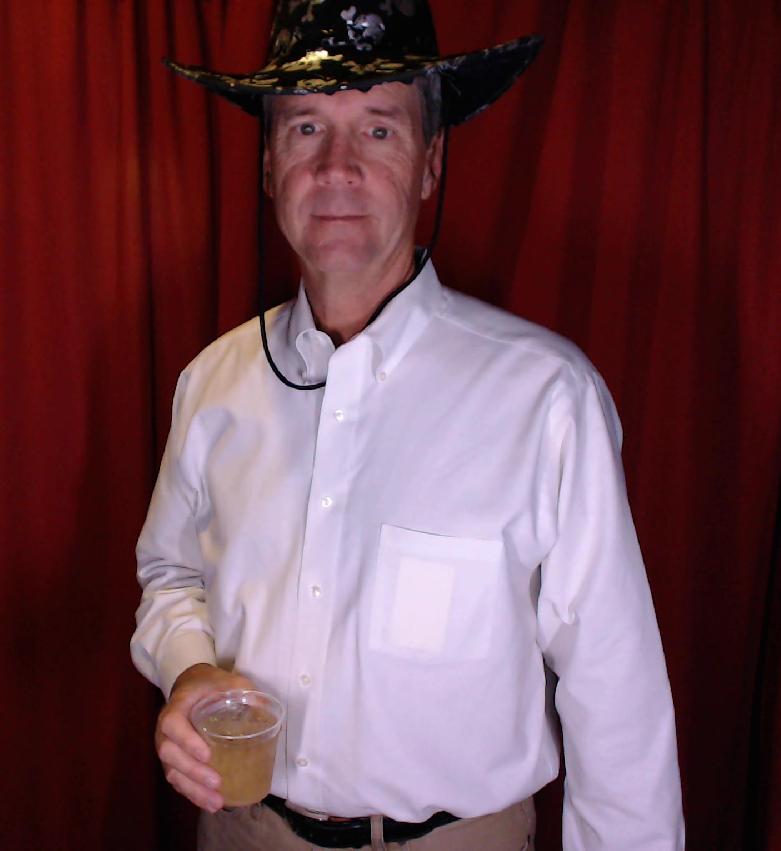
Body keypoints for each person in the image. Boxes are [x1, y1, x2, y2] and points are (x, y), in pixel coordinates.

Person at [131, 1, 685, 848]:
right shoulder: (212, 383)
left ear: (430, 163)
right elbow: (170, 573)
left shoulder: (544, 398)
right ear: (269, 165)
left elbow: (617, 702)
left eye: (379, 130)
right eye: (306, 127)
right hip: (242, 831)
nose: (337, 167)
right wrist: (190, 667)